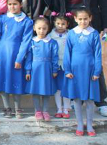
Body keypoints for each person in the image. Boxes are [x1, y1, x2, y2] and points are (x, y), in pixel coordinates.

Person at [55, 0, 107, 117]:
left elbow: (104, 0)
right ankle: (75, 99)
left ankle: (101, 101)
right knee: (73, 63)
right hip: (72, 27)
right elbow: (60, 4)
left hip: (91, 24)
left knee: (94, 63)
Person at [0, 0, 33, 119]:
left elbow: (26, 41)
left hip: (16, 55)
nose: (12, 7)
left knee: (16, 80)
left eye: (15, 4)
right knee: (3, 81)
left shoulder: (26, 21)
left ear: (21, 4)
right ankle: (7, 107)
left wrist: (20, 58)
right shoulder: (2, 19)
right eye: (9, 4)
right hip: (2, 55)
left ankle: (17, 107)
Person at [62, 8, 102, 137]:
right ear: (75, 19)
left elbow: (97, 54)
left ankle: (89, 125)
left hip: (90, 72)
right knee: (77, 99)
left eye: (86, 19)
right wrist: (67, 69)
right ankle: (80, 124)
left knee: (90, 100)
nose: (83, 21)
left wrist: (97, 71)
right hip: (75, 71)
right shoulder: (72, 34)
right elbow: (67, 53)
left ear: (90, 18)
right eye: (80, 19)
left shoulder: (94, 34)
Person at [25, 17, 59, 122]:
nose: (41, 31)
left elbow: (55, 57)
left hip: (47, 69)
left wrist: (54, 70)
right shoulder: (32, 42)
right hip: (35, 70)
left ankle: (45, 111)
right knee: (35, 91)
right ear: (34, 28)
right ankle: (37, 111)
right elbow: (29, 58)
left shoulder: (52, 42)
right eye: (39, 28)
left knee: (46, 91)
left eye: (44, 28)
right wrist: (28, 71)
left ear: (48, 29)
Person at [50, 13, 72, 119]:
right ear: (54, 23)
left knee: (66, 87)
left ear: (67, 24)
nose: (60, 26)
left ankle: (66, 108)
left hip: (67, 65)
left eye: (63, 24)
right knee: (58, 88)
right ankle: (59, 108)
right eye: (58, 23)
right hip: (56, 66)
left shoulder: (71, 35)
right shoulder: (50, 36)